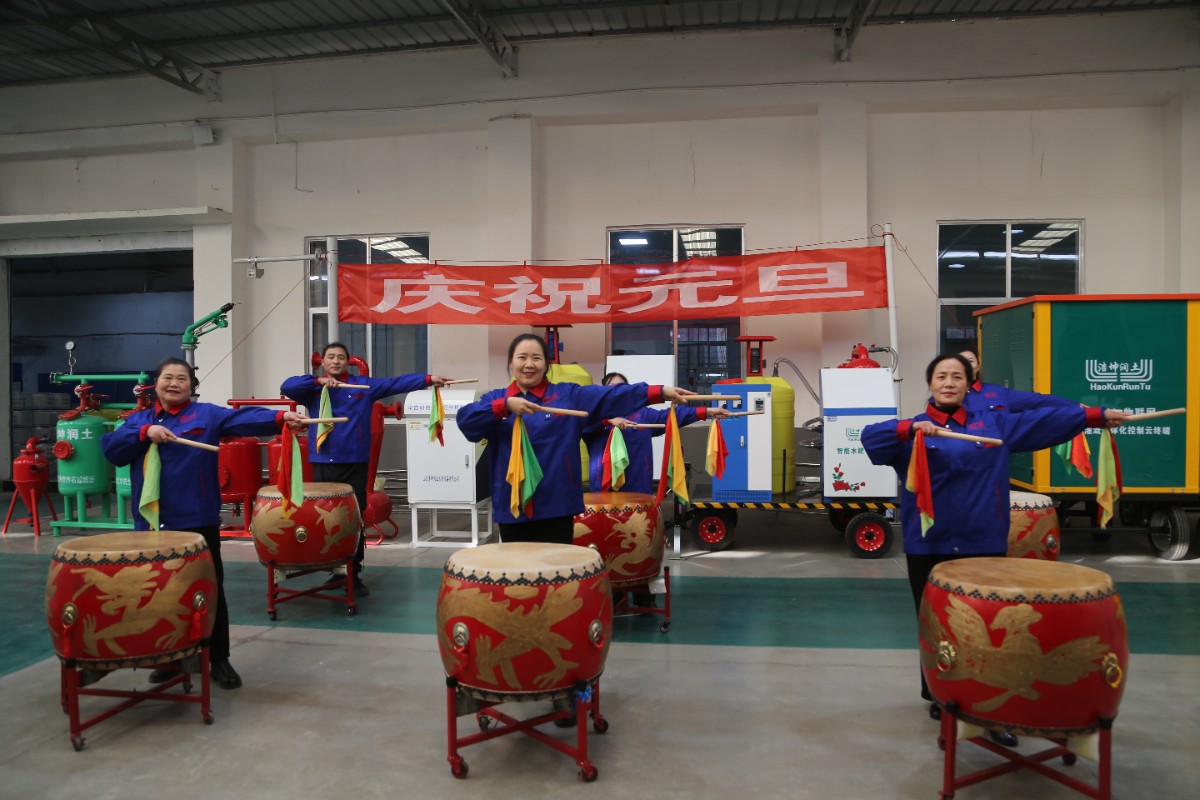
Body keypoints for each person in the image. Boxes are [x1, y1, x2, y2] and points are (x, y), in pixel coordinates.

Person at [860, 353, 1126, 746]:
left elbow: (1044, 420)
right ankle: (940, 695)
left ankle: (991, 711)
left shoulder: (995, 424)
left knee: (989, 627)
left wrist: (1096, 416)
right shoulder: (913, 431)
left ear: (969, 385)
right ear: (930, 384)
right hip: (929, 541)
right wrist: (908, 428)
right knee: (934, 623)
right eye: (941, 376)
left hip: (982, 539)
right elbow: (870, 438)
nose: (949, 382)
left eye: (957, 377)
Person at [456, 334, 694, 728]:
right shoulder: (497, 400)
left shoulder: (568, 396)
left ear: (546, 364)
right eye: (521, 357)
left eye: (536, 357)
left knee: (557, 600)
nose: (529, 364)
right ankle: (518, 673)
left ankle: (562, 689)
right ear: (511, 363)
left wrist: (659, 391)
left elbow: (613, 396)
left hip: (557, 509)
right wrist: (503, 407)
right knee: (517, 598)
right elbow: (465, 422)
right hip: (514, 514)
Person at [101, 357, 308, 690]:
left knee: (209, 589)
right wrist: (145, 433)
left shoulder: (206, 415)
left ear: (191, 387)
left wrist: (281, 417)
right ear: (156, 384)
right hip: (153, 524)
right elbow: (112, 451)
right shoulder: (137, 421)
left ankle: (218, 658)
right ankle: (170, 659)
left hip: (197, 520)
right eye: (167, 377)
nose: (173, 383)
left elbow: (243, 418)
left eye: (181, 379)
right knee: (158, 592)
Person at [281, 342, 452, 596]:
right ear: (323, 362)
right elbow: (287, 386)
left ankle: (353, 570)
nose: (336, 361)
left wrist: (428, 379)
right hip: (323, 460)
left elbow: (395, 383)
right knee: (325, 517)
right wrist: (318, 382)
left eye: (341, 357)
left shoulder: (363, 385)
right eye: (331, 357)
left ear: (347, 361)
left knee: (354, 517)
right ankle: (333, 567)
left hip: (355, 461)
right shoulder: (312, 390)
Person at [582, 371, 731, 495]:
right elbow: (583, 425)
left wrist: (706, 411)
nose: (617, 392)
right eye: (612, 388)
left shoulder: (642, 414)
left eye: (622, 388)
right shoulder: (593, 417)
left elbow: (673, 416)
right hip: (604, 490)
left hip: (639, 488)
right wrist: (608, 420)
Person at [958, 344, 1078, 413]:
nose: (966, 365)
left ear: (978, 366)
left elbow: (1036, 400)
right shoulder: (948, 394)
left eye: (970, 361)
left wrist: (1074, 406)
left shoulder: (996, 393)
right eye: (962, 361)